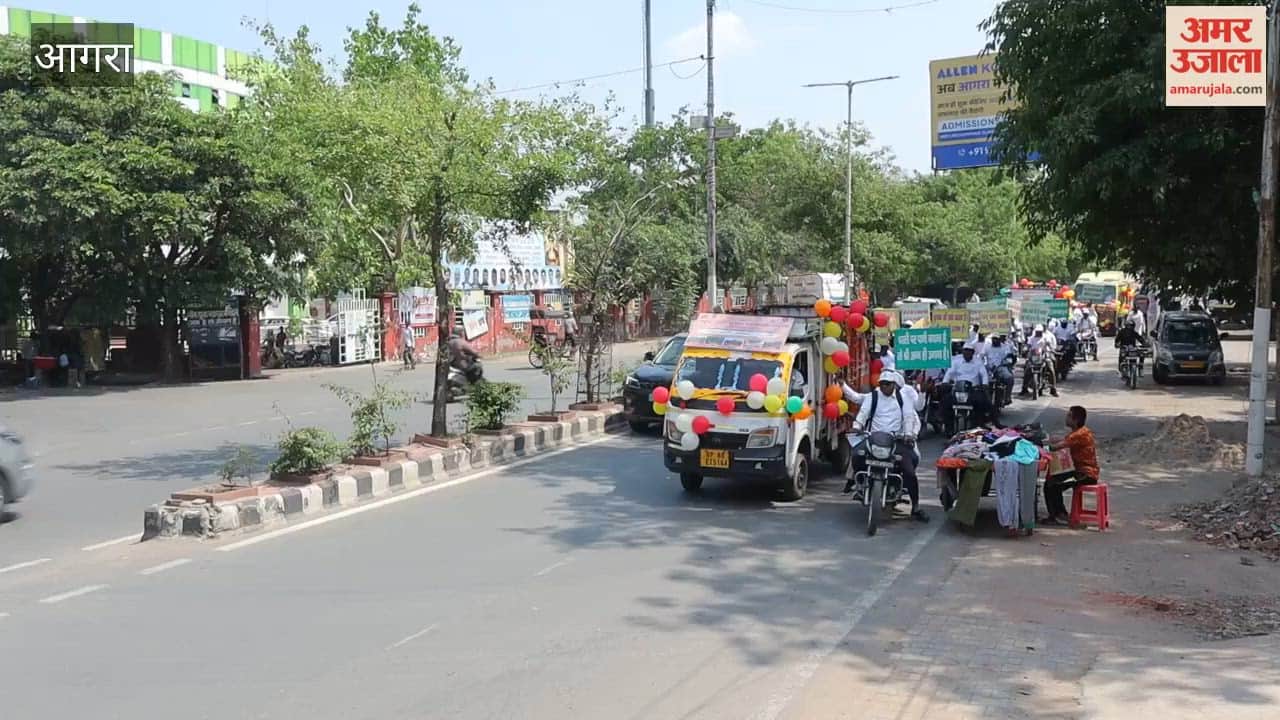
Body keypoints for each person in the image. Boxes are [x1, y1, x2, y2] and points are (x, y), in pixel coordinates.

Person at [847, 370, 928, 522]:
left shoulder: (904, 398)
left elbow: (909, 417)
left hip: (895, 440)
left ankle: (915, 506)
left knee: (910, 470)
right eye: (882, 384)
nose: (884, 387)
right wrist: (857, 426)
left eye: (888, 384)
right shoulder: (873, 397)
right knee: (857, 455)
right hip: (874, 438)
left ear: (895, 385)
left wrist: (909, 434)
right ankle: (859, 484)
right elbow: (863, 413)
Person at [1043, 405, 1100, 524]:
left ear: (1076, 420)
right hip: (1079, 470)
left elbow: (1056, 447)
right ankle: (1057, 513)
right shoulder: (1081, 432)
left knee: (1052, 483)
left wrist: (1040, 446)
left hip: (1085, 474)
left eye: (1069, 416)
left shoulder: (1079, 435)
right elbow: (1063, 441)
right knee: (1052, 480)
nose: (1066, 418)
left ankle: (1059, 515)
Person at [941, 341, 992, 427]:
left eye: (969, 350)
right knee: (945, 402)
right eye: (966, 350)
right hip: (958, 390)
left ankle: (978, 426)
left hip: (973, 390)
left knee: (982, 403)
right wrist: (945, 382)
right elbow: (949, 373)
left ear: (973, 352)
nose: (967, 352)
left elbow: (983, 374)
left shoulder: (978, 362)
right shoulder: (956, 361)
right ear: (962, 351)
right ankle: (949, 428)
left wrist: (984, 384)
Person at [1020, 325, 1059, 397]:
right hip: (1033, 357)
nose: (1038, 333)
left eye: (1040, 332)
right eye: (1037, 332)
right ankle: (1024, 388)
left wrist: (1051, 350)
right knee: (1027, 369)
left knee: (1051, 368)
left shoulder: (1045, 338)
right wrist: (1025, 349)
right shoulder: (1031, 338)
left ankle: (1053, 389)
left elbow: (1049, 345)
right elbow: (1028, 345)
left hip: (1043, 356)